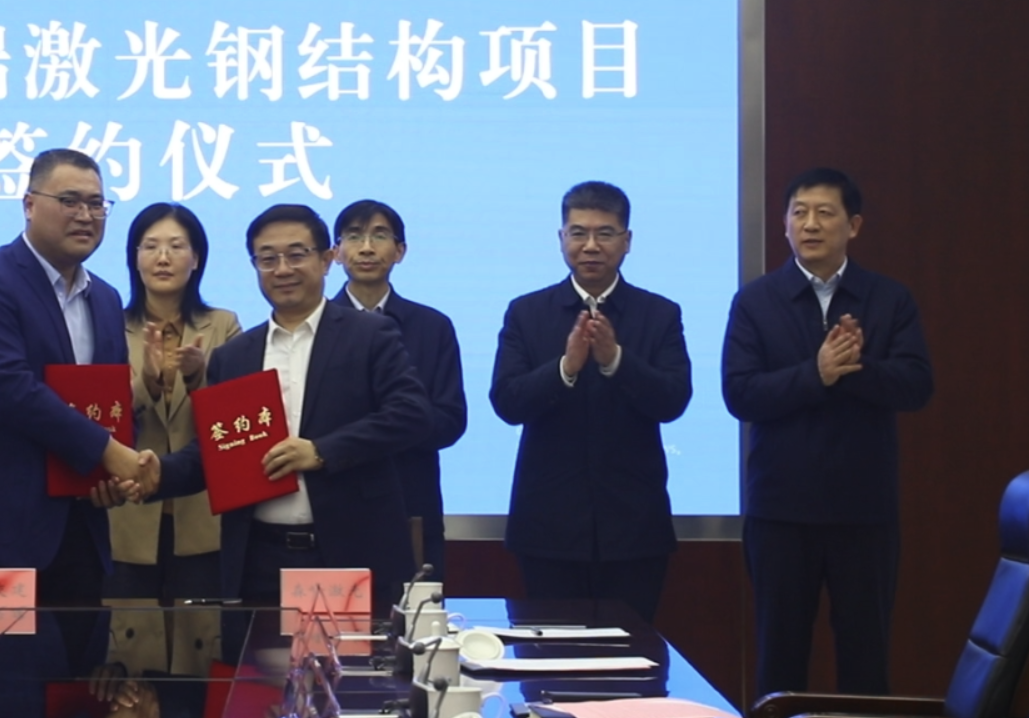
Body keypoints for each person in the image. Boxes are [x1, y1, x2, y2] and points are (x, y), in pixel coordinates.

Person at [136, 204, 433, 617]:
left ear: (327, 259)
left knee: (351, 662)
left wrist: (322, 451)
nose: (282, 269)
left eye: (296, 255)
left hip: (346, 551)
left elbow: (411, 414)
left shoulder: (370, 334)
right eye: (267, 258)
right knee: (258, 661)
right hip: (258, 559)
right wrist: (159, 473)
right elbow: (215, 452)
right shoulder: (234, 356)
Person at [723, 167, 933, 696]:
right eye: (799, 213)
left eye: (824, 213)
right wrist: (815, 374)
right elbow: (740, 394)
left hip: (864, 513)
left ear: (853, 225)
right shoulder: (756, 301)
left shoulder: (888, 299)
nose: (810, 224)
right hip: (780, 512)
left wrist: (855, 367)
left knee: (866, 660)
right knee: (779, 661)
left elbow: (916, 386)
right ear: (785, 225)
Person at [0, 148, 142, 605]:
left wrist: (114, 477)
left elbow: (110, 402)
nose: (86, 215)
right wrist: (108, 451)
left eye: (97, 203)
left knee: (77, 652)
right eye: (69, 201)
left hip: (79, 534)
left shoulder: (105, 298)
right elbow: (10, 390)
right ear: (28, 204)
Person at [489, 181, 691, 624]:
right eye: (578, 233)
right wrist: (566, 367)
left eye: (605, 233)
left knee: (632, 654)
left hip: (634, 528)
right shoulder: (527, 312)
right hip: (547, 528)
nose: (591, 246)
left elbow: (674, 399)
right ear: (561, 238)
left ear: (627, 240)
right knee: (551, 658)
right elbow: (506, 401)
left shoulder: (659, 314)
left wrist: (616, 360)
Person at [105, 203, 241, 674]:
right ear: (134, 257)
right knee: (131, 650)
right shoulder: (108, 324)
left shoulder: (223, 325)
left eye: (176, 246)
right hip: (126, 511)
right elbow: (99, 418)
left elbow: (236, 425)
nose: (163, 257)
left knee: (201, 646)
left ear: (196, 258)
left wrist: (201, 377)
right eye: (150, 246)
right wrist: (146, 382)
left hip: (202, 513)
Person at [331, 199, 466, 580]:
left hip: (411, 503)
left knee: (416, 615)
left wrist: (366, 431)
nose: (366, 248)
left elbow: (450, 421)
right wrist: (398, 422)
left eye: (379, 236)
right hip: (334, 505)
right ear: (335, 253)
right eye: (353, 237)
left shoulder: (433, 327)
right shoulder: (316, 327)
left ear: (400, 251)